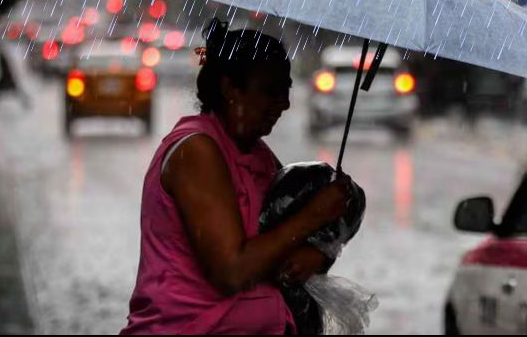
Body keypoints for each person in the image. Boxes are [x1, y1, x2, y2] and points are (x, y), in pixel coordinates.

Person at [121, 18, 353, 335]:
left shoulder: (258, 156)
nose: (283, 104)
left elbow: (283, 244)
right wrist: (313, 216)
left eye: (286, 91)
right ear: (230, 88)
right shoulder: (196, 151)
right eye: (270, 91)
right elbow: (232, 270)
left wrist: (317, 253)